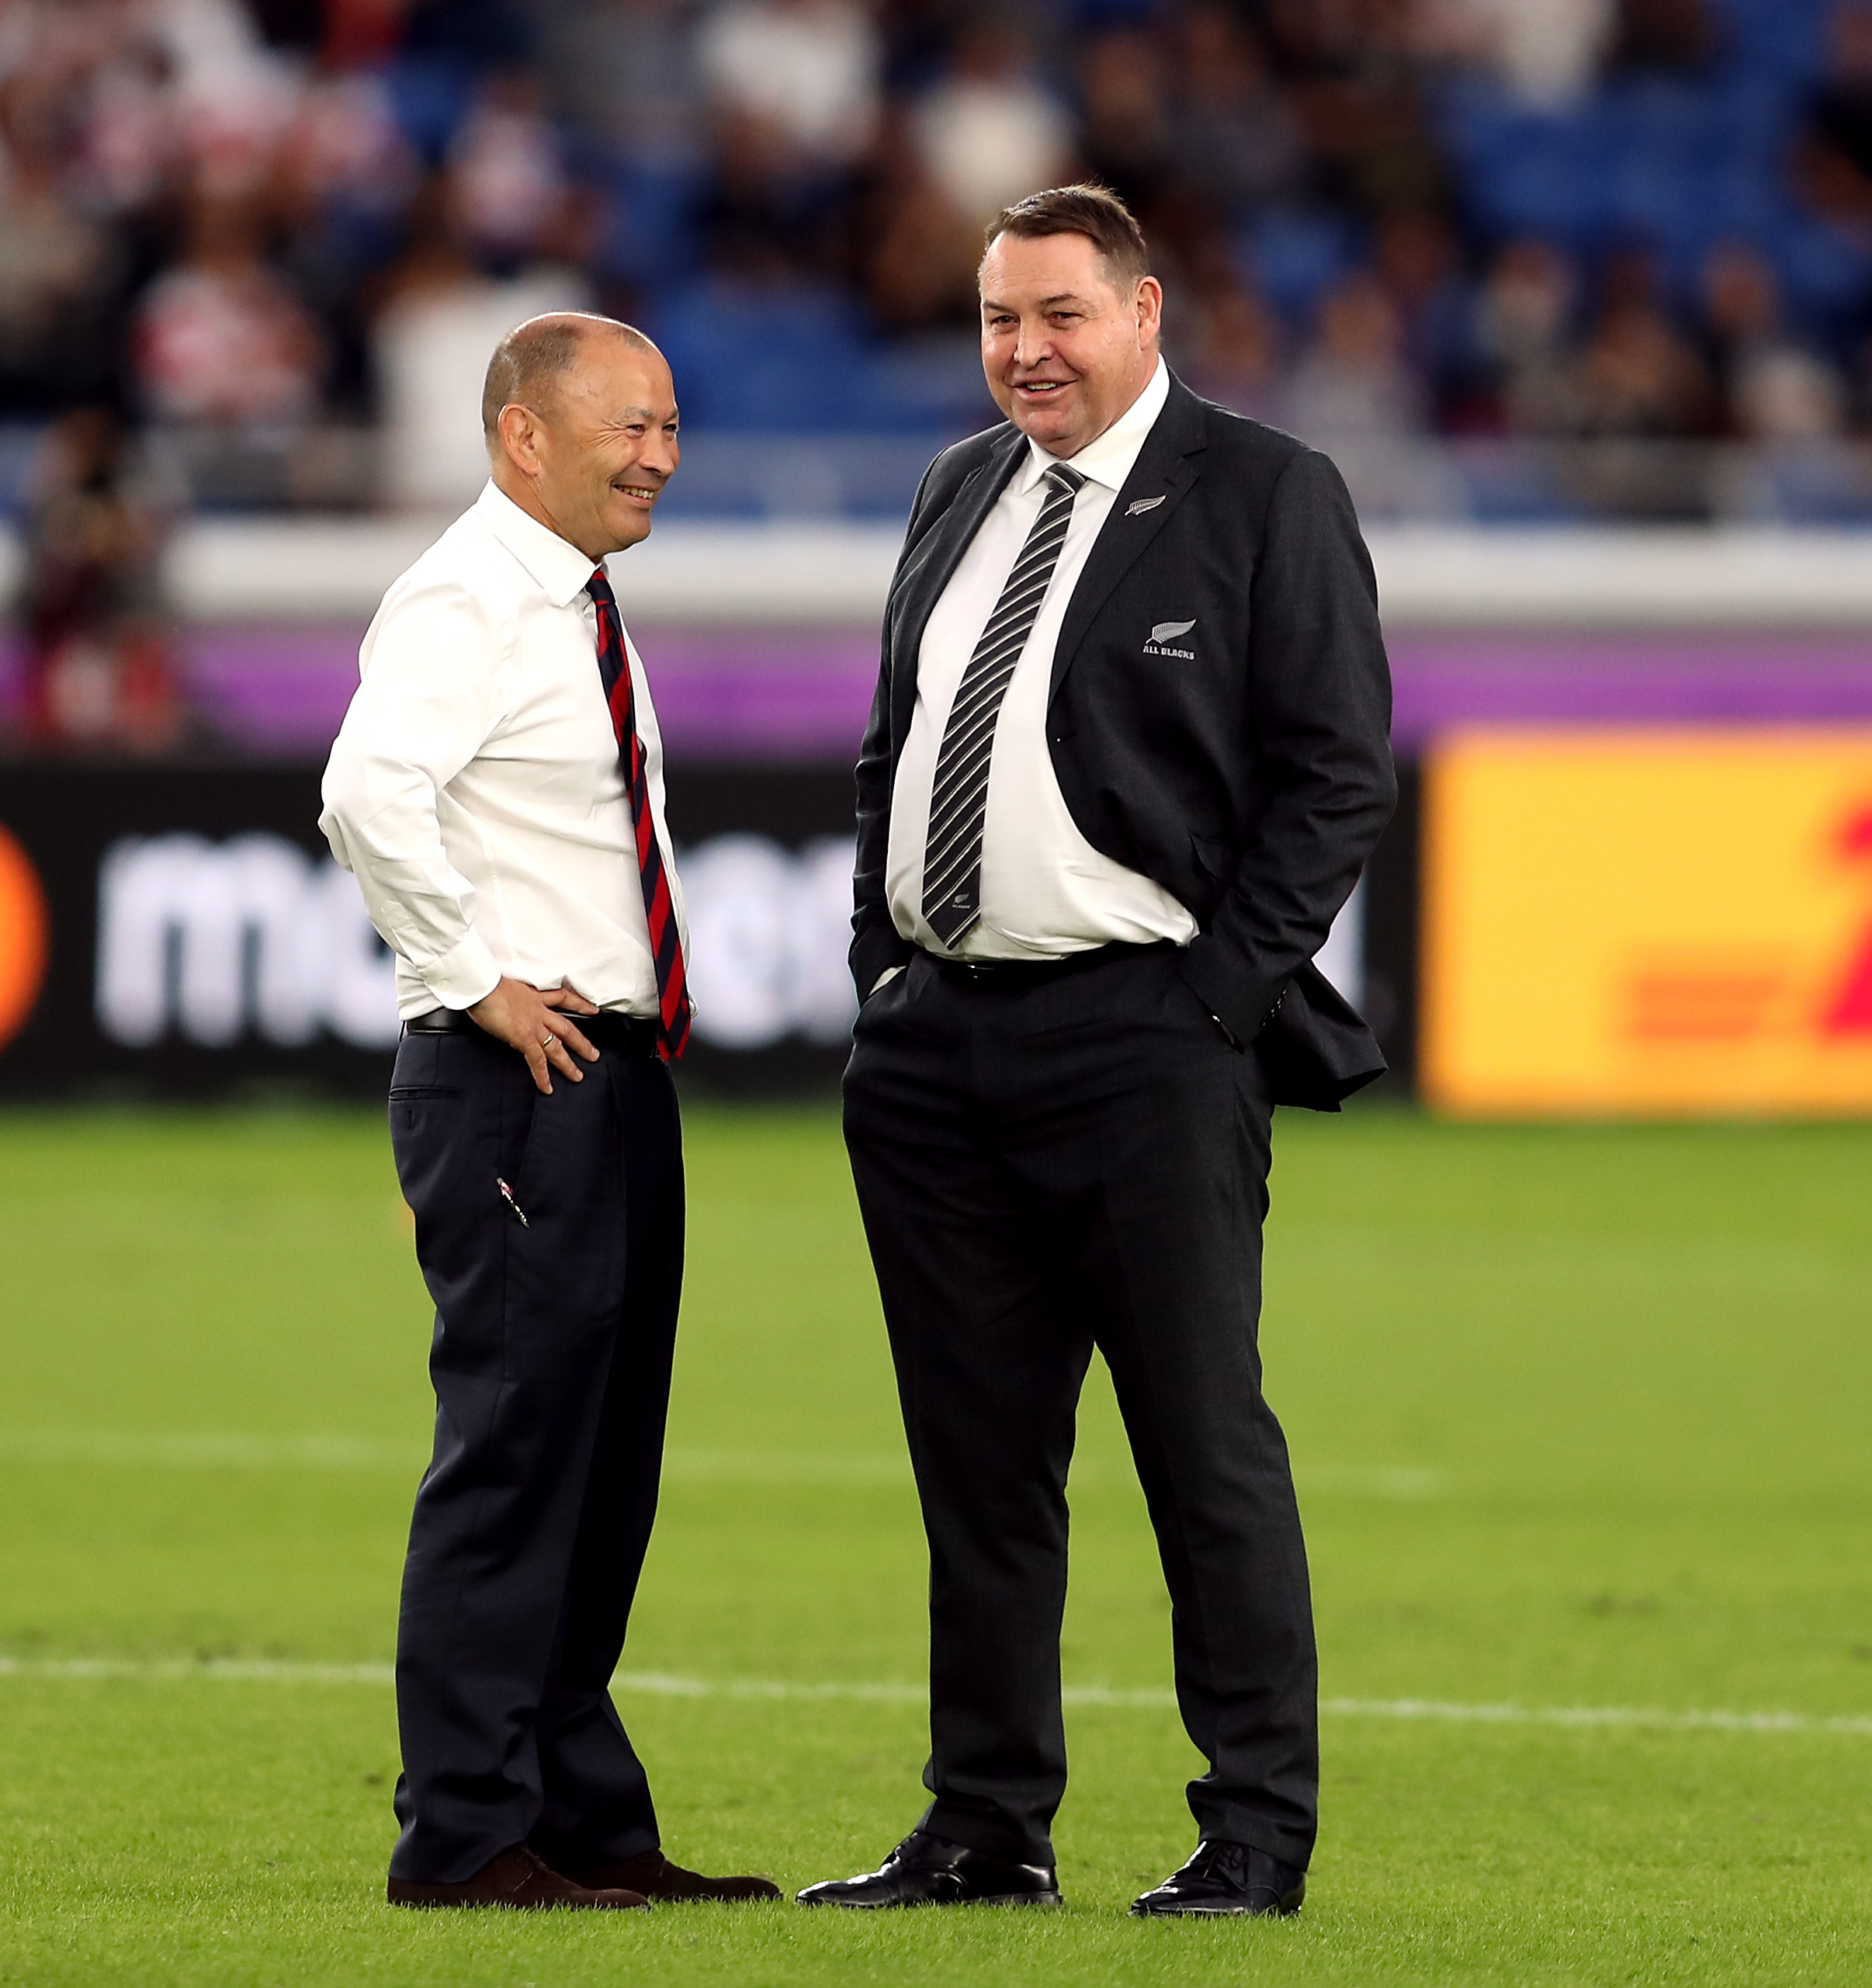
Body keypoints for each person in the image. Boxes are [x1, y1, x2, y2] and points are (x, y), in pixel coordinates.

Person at [803, 186, 1393, 1919]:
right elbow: (892, 745)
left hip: (1142, 1042)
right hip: (935, 1052)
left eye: (1057, 314)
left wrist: (1212, 1000)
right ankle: (985, 1828)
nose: (1023, 351)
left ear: (1143, 311)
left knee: (1199, 1452)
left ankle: (1253, 1840)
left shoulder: (1266, 491)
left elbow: (1335, 773)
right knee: (977, 1464)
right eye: (997, 319)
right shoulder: (953, 487)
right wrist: (878, 970)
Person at [317, 311, 775, 1912]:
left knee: (598, 1464)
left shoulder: (569, 601)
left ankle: (574, 1814)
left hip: (608, 1079)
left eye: (667, 422)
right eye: (628, 423)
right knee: (516, 1456)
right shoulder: (466, 594)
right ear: (524, 435)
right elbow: (363, 792)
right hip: (523, 1079)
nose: (658, 450)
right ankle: (462, 1835)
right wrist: (474, 979)